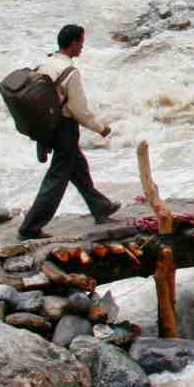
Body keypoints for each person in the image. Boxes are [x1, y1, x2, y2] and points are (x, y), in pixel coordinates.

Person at [18, 25, 121, 240]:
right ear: (73, 43)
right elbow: (78, 110)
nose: (83, 46)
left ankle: (100, 206)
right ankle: (30, 227)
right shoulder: (70, 73)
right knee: (57, 178)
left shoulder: (46, 63)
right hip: (65, 127)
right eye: (81, 42)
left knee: (78, 167)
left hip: (49, 126)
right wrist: (100, 128)